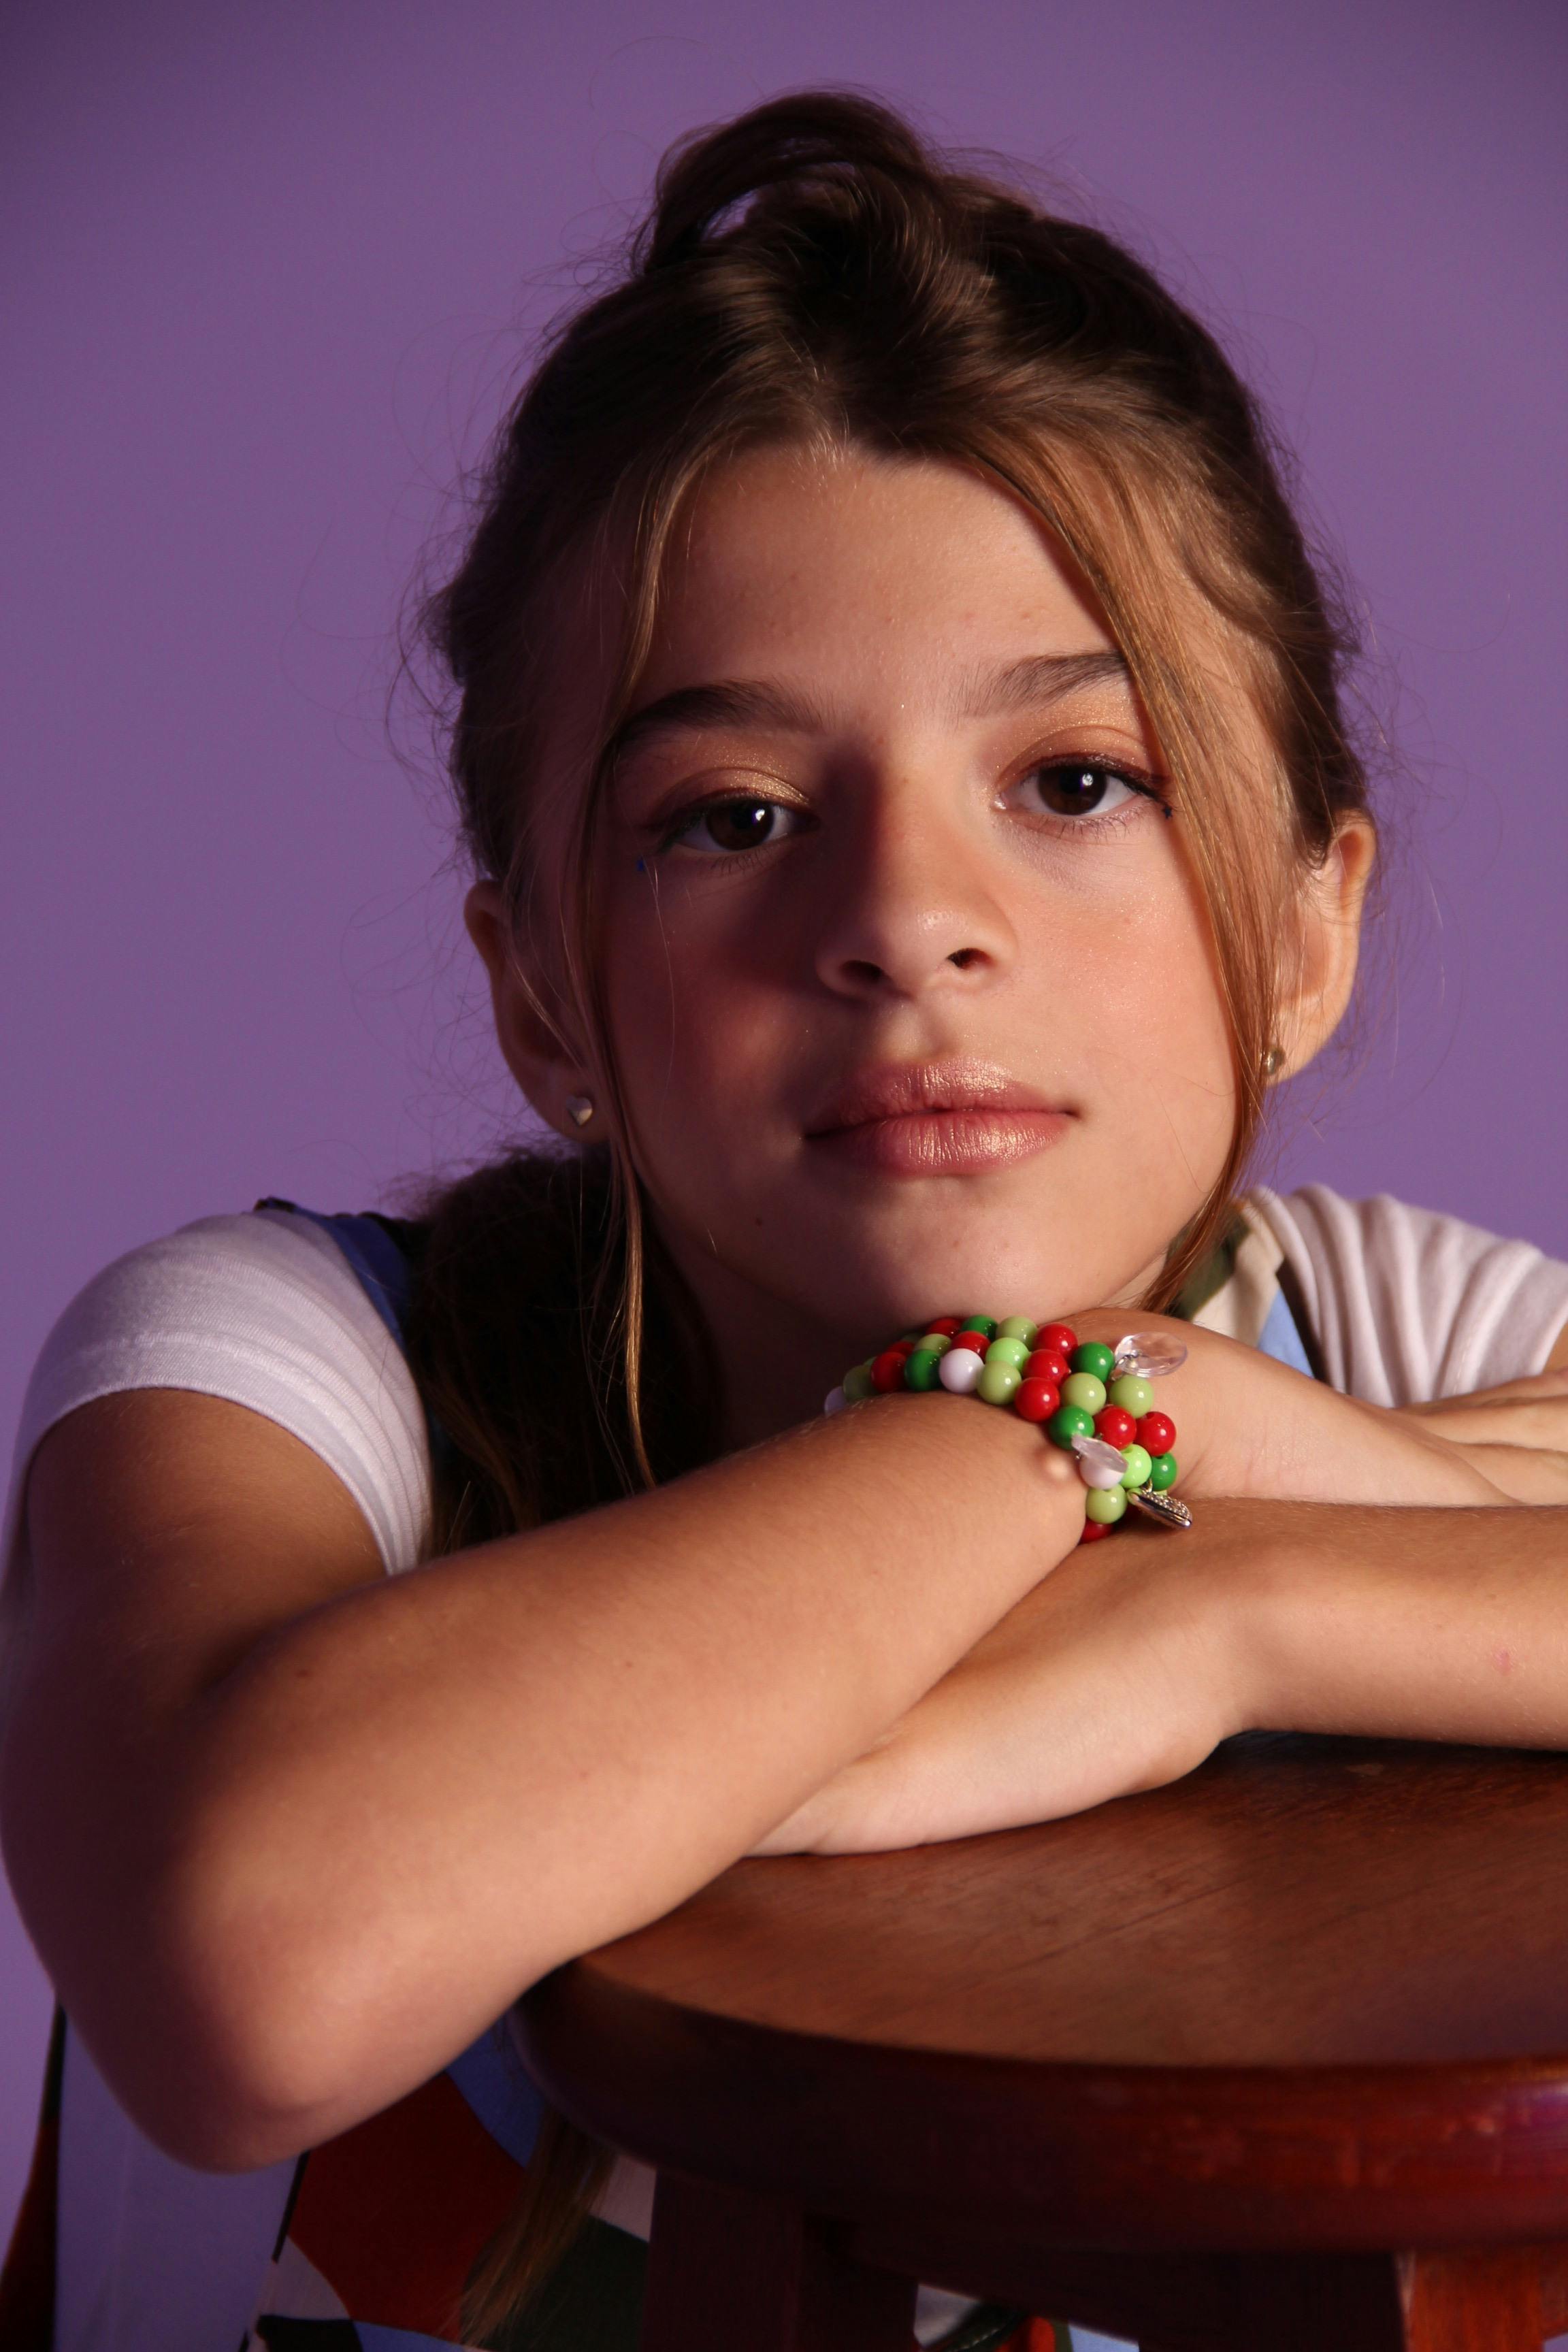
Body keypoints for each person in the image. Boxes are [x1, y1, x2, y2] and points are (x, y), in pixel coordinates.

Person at [3, 88, 1567, 2352]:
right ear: (543, 984)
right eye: (733, 814)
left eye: (1076, 782)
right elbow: (252, 1974)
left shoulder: (1411, 1340)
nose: (911, 921)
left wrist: (1231, 1615)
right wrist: (1075, 1416)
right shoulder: (281, 1375)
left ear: (1310, 932)